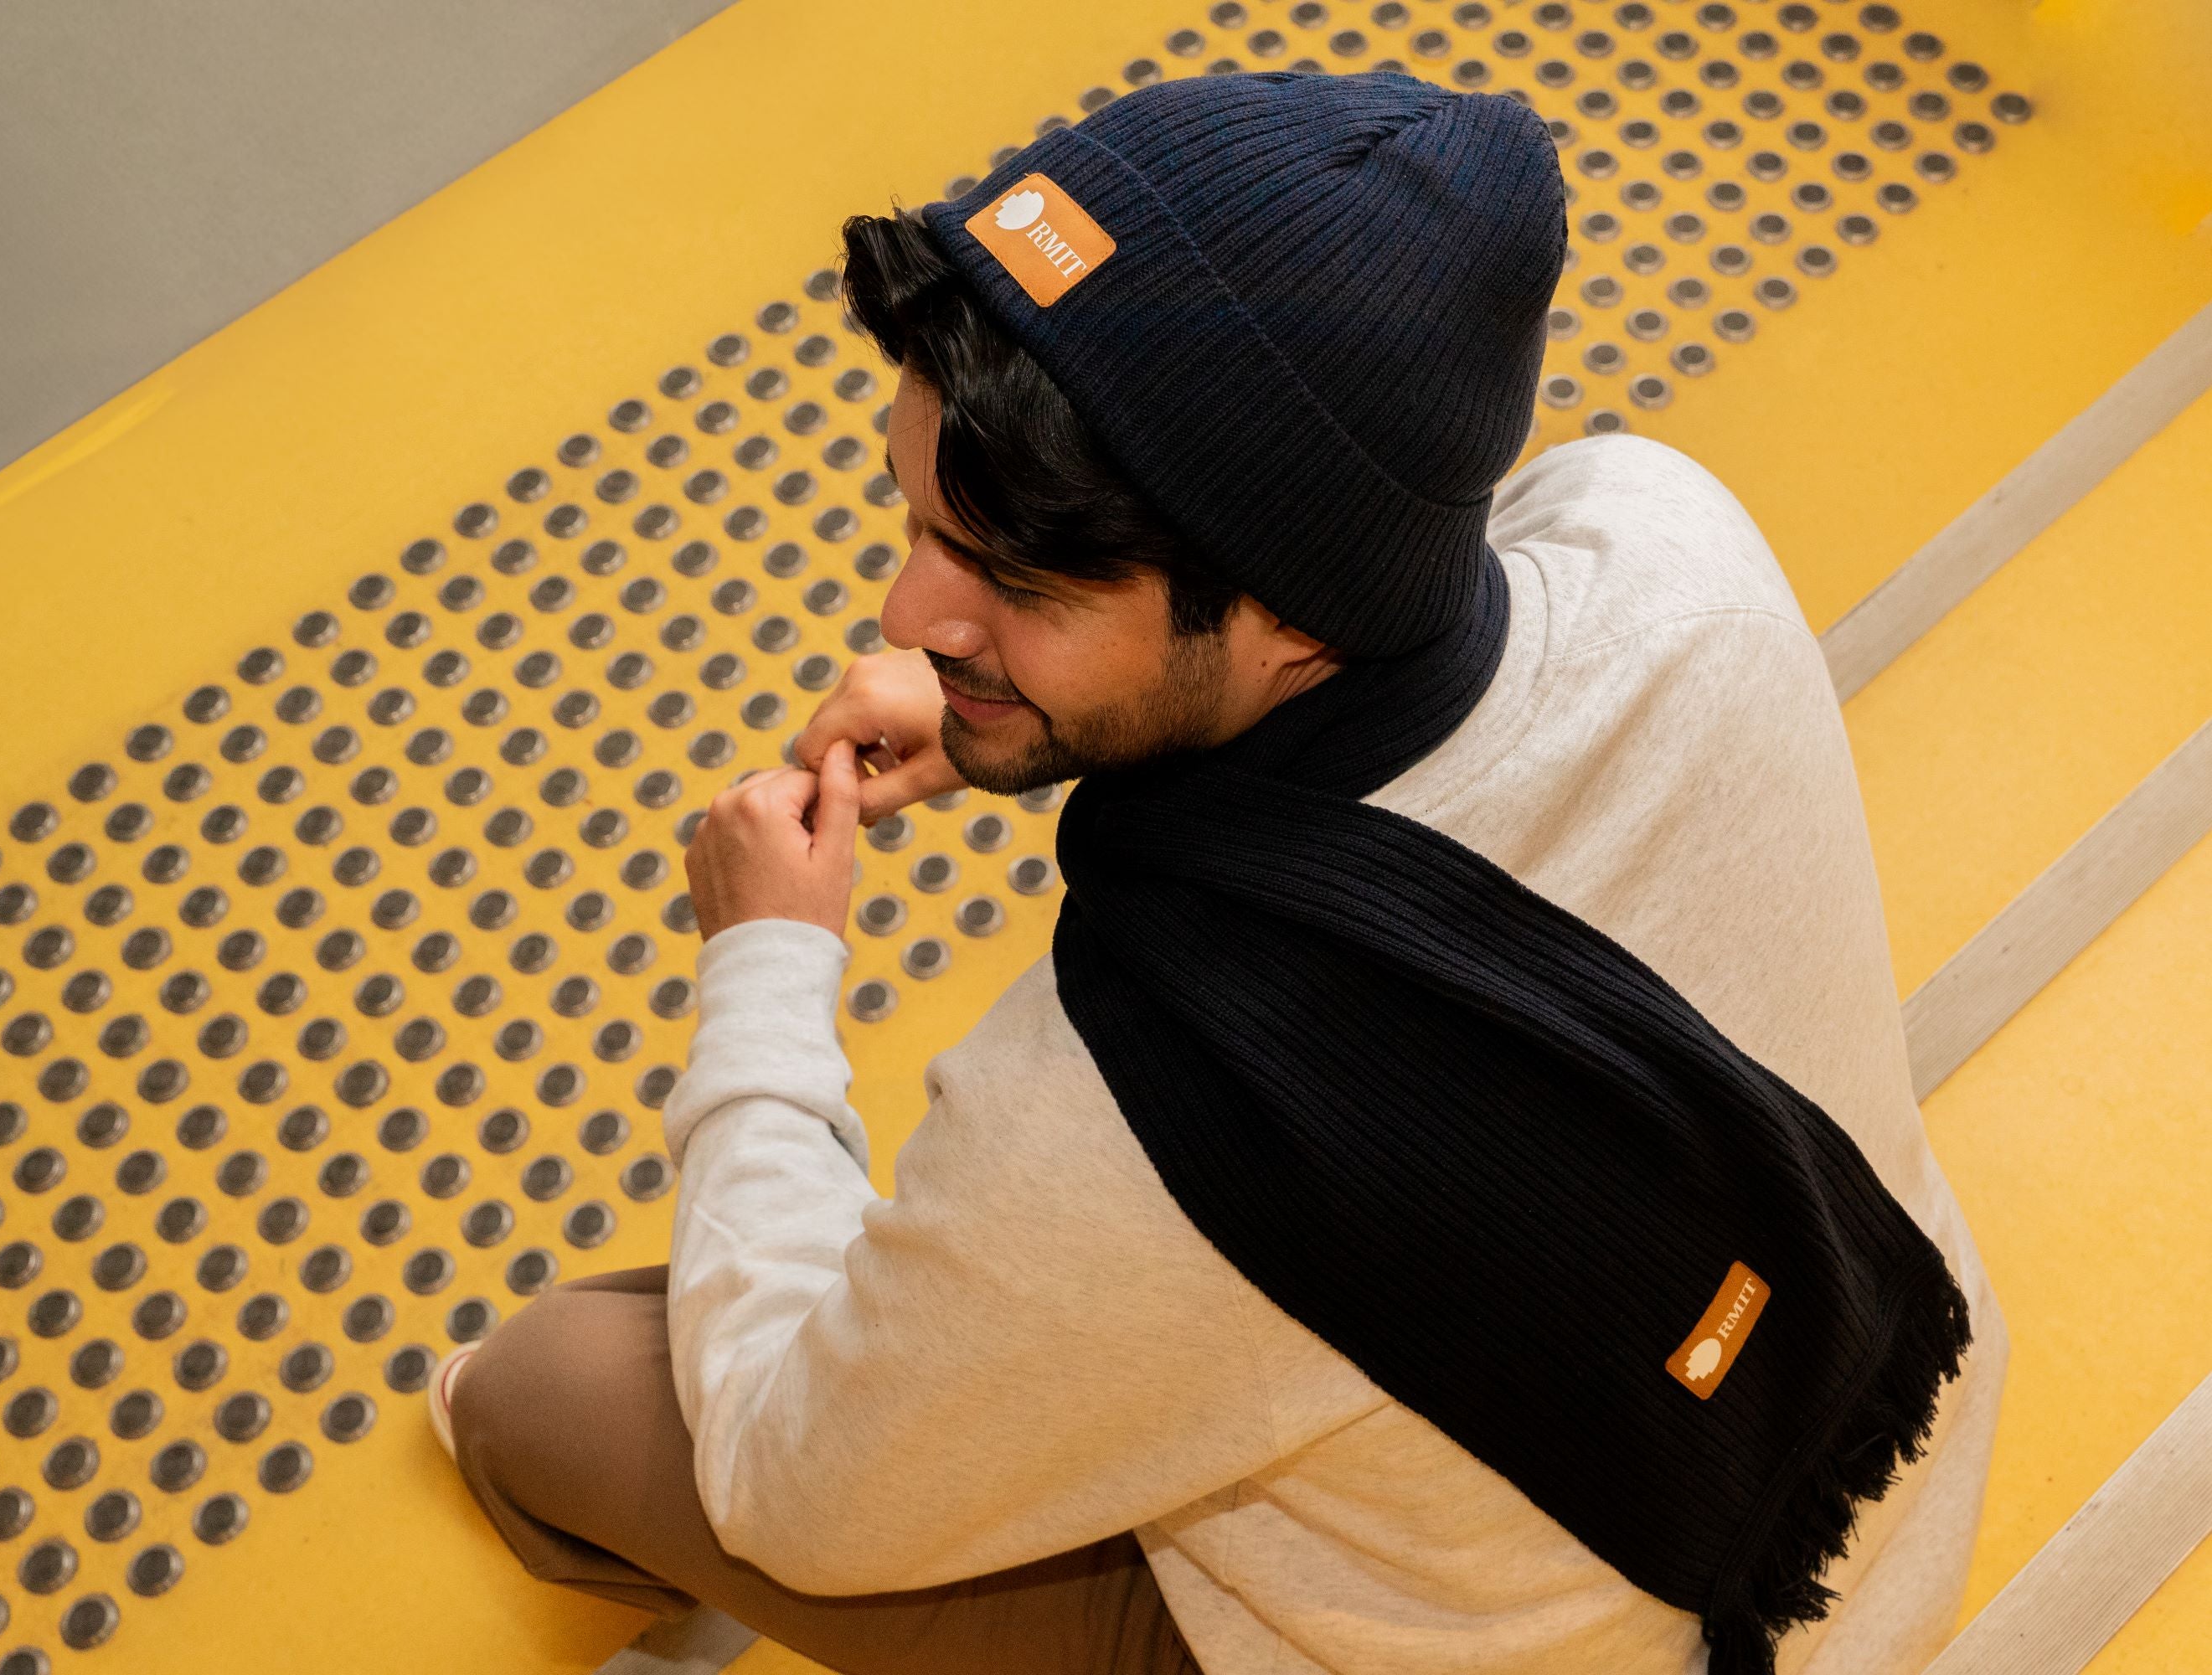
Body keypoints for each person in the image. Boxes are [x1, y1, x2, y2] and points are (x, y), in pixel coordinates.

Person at [433, 67, 2008, 1675]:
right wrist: (1010, 693)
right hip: (1871, 1477)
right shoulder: (1666, 538)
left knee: (543, 1391)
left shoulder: (1147, 1112)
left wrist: (767, 968)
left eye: (1012, 577)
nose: (909, 620)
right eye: (919, 529)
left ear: (1291, 615)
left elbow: (787, 1485)